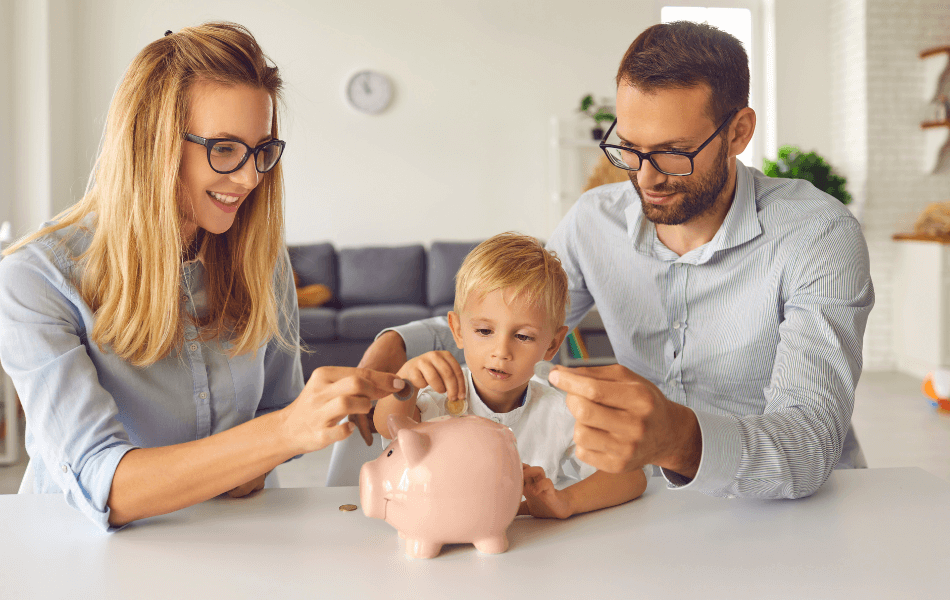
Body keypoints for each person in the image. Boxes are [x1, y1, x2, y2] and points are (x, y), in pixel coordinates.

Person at [358, 21, 874, 500]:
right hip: (648, 506)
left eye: (674, 152)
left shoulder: (817, 234)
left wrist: (680, 441)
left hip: (800, 512)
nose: (644, 180)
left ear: (738, 132)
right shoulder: (593, 221)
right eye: (629, 148)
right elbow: (510, 321)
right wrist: (398, 341)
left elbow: (809, 443)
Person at [0, 22, 402, 531]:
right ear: (152, 145)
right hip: (85, 556)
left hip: (235, 542)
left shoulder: (261, 257)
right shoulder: (35, 278)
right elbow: (103, 484)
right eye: (225, 149)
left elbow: (276, 407)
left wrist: (272, 449)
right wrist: (280, 436)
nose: (250, 177)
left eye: (261, 150)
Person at [372, 233, 646, 518]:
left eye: (523, 336)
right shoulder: (439, 396)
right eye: (484, 331)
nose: (501, 351)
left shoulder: (560, 410)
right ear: (457, 330)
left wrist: (566, 501)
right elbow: (388, 425)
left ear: (552, 344)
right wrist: (405, 384)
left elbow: (631, 476)